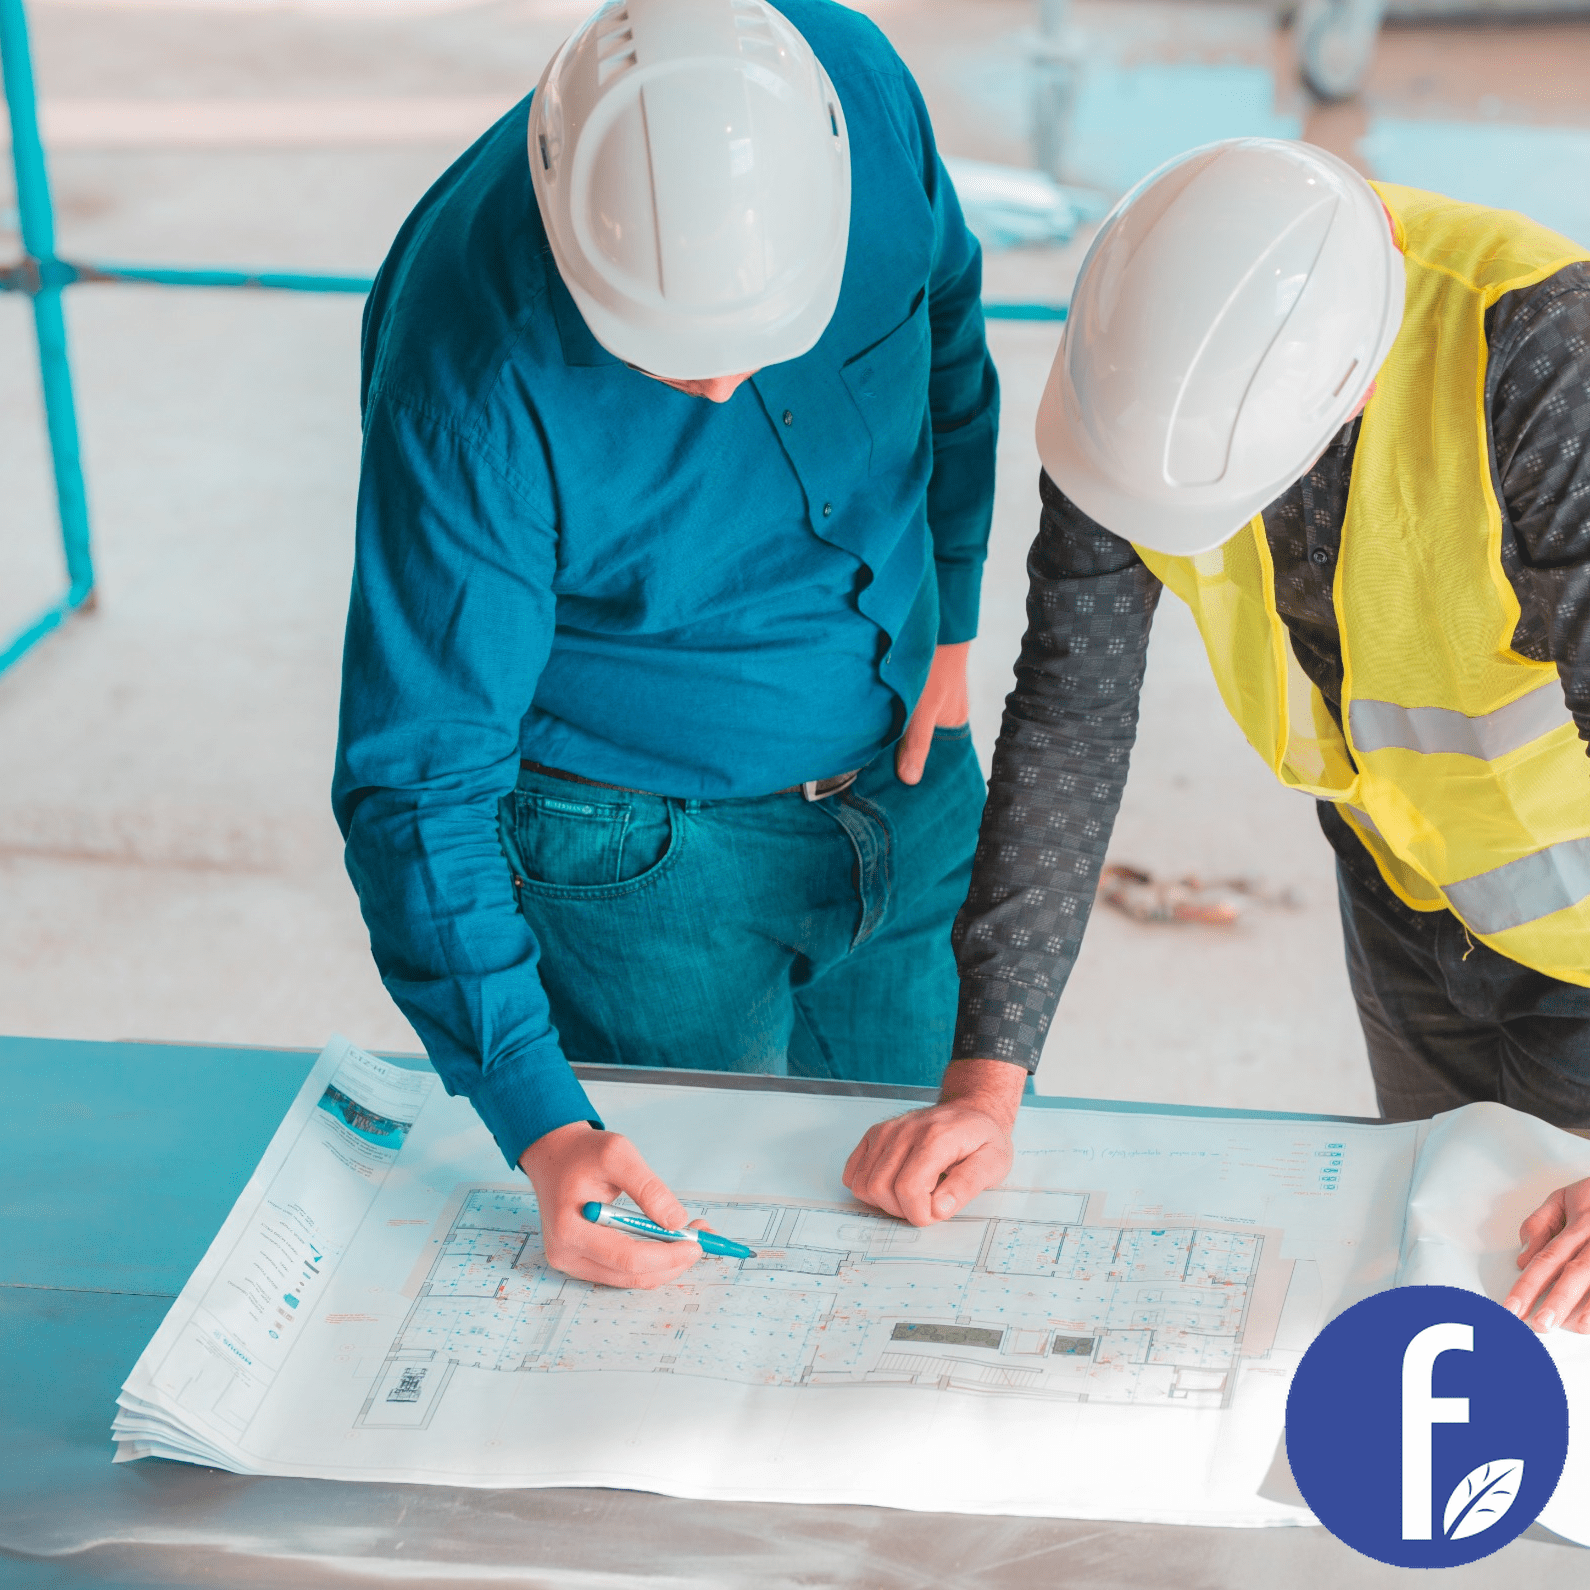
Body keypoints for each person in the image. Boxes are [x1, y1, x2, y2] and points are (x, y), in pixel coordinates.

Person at [844, 138, 1590, 1334]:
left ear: (1344, 388)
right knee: (1443, 1264)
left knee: (1555, 1335)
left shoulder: (1549, 364)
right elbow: (1072, 715)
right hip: (1403, 897)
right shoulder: (1145, 350)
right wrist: (988, 1081)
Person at [334, 0, 997, 1289]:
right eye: (663, 350)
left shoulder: (853, 85)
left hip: (914, 787)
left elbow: (951, 343)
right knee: (714, 1273)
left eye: (763, 335)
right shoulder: (467, 370)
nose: (713, 387)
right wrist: (546, 1123)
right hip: (643, 868)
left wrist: (952, 624)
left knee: (906, 1215)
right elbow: (420, 782)